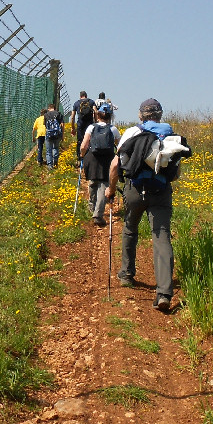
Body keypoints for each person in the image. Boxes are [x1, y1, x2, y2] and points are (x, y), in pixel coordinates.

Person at [106, 98, 192, 312]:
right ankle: (163, 293)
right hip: (161, 191)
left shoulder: (132, 133)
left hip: (135, 190)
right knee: (161, 236)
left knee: (130, 228)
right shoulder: (171, 137)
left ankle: (126, 273)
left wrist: (110, 189)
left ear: (140, 115)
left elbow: (116, 164)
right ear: (160, 115)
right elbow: (175, 173)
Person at [79, 103, 120, 226]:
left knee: (92, 182)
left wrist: (82, 155)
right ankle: (98, 214)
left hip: (92, 158)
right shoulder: (113, 129)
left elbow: (84, 145)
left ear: (98, 115)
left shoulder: (91, 127)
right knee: (103, 186)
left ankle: (92, 208)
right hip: (107, 159)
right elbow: (121, 146)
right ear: (110, 116)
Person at [70, 91, 97, 166]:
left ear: (80, 96)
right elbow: (95, 111)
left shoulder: (76, 103)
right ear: (86, 95)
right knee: (90, 141)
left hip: (80, 124)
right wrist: (96, 122)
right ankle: (89, 158)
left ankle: (79, 159)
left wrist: (73, 127)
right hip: (90, 124)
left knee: (80, 141)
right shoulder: (91, 102)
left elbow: (72, 116)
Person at [43, 102, 64, 168]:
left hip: (49, 134)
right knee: (55, 148)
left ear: (49, 108)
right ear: (54, 108)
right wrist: (62, 134)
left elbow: (45, 125)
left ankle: (50, 166)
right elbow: (62, 125)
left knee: (48, 150)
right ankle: (55, 161)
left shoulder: (46, 115)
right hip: (57, 134)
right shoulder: (58, 114)